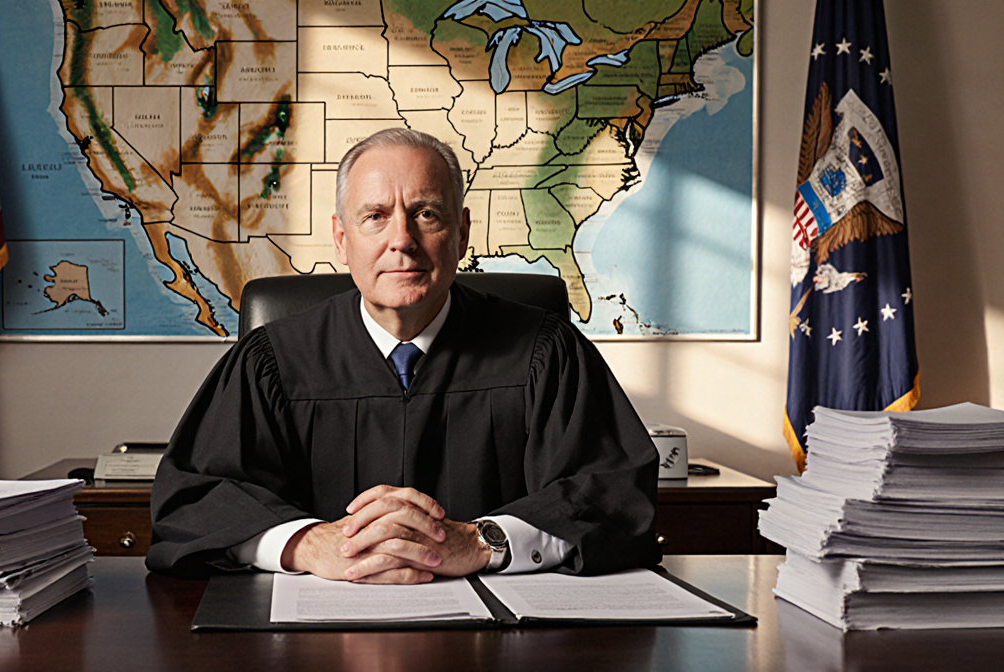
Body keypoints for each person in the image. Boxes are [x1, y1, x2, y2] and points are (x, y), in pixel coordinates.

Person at [147, 128, 660, 583]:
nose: (402, 241)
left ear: (461, 233)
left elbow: (614, 492)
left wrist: (482, 542)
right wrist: (309, 544)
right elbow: (194, 497)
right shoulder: (274, 360)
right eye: (375, 217)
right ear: (342, 240)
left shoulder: (544, 353)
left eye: (426, 214)